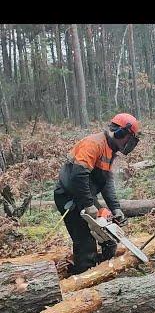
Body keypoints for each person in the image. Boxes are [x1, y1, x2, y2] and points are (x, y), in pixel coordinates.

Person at [54, 113, 142, 274]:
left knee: (109, 239)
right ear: (121, 133)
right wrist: (89, 205)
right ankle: (83, 278)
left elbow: (106, 182)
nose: (129, 144)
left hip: (85, 196)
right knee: (85, 243)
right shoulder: (93, 144)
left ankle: (102, 271)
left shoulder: (110, 150)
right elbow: (78, 175)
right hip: (70, 196)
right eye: (129, 138)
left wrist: (115, 208)